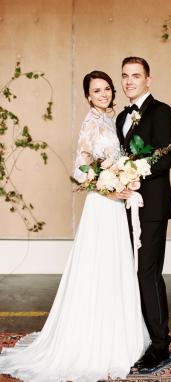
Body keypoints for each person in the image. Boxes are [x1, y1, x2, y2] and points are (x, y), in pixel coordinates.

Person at [0, 70, 150, 382]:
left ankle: (118, 335)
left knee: (115, 268)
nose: (104, 94)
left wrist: (126, 175)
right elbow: (81, 170)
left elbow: (114, 161)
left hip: (116, 206)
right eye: (97, 91)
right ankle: (91, 342)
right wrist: (110, 187)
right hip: (101, 206)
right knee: (97, 269)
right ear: (88, 96)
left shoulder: (111, 120)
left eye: (107, 89)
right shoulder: (91, 122)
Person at [116, 57, 171, 372]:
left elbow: (163, 159)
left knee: (148, 274)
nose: (129, 81)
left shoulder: (162, 111)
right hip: (125, 207)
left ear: (148, 80)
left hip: (152, 207)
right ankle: (137, 333)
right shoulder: (120, 118)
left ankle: (159, 345)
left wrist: (135, 175)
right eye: (125, 76)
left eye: (135, 76)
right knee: (131, 273)